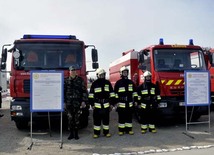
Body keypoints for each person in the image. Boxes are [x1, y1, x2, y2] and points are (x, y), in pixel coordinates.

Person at [88, 68, 115, 138]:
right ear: (97, 75)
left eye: (103, 74)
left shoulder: (107, 83)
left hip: (106, 105)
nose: (102, 76)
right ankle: (96, 133)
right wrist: (92, 104)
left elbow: (112, 94)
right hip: (97, 106)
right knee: (97, 121)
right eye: (100, 75)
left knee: (106, 120)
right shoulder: (94, 84)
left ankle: (106, 133)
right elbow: (91, 95)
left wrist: (112, 104)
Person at [64, 66, 88, 140]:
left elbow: (84, 91)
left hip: (77, 102)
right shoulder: (66, 80)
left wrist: (84, 101)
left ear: (75, 72)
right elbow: (63, 92)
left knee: (77, 119)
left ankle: (76, 134)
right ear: (69, 72)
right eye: (72, 70)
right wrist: (64, 102)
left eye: (74, 70)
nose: (73, 72)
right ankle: (71, 134)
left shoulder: (80, 80)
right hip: (69, 103)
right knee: (70, 118)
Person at [114, 66, 138, 136]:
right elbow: (115, 93)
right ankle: (121, 130)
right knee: (121, 117)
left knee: (129, 117)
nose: (125, 73)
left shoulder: (131, 82)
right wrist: (116, 102)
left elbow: (134, 92)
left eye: (126, 72)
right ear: (121, 73)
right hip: (121, 103)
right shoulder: (118, 83)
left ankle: (129, 130)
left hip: (129, 103)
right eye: (124, 72)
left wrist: (136, 100)